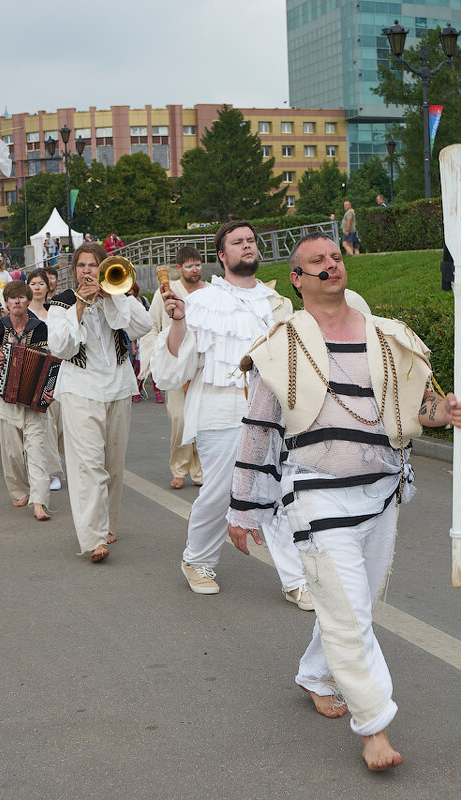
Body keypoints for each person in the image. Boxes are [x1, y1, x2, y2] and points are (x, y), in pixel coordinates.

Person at [227, 232, 461, 771]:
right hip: (314, 494)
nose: (329, 265)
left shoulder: (388, 337)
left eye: (335, 257)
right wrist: (243, 508)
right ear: (296, 278)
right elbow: (258, 430)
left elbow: (424, 406)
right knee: (348, 613)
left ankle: (315, 674)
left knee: (352, 605)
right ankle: (375, 727)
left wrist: (450, 412)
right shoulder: (281, 345)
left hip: (381, 492)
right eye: (315, 260)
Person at [152, 220, 308, 607]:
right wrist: (177, 321)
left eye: (251, 241)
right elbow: (174, 368)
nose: (247, 246)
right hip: (219, 408)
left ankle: (294, 578)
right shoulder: (200, 302)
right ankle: (197, 560)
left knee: (274, 490)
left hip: (270, 411)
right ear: (222, 256)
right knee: (221, 492)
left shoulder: (278, 303)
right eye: (237, 242)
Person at [46, 242, 152, 561]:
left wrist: (113, 296)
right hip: (80, 389)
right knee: (89, 466)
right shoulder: (59, 305)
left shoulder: (116, 296)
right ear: (74, 270)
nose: (88, 271)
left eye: (94, 265)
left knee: (113, 465)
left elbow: (143, 326)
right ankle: (93, 538)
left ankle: (107, 525)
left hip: (118, 387)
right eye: (82, 266)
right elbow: (60, 348)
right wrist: (79, 305)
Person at [0, 281, 54, 522]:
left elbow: (52, 362)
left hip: (33, 400)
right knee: (11, 452)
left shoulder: (41, 328)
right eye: (12, 299)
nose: (17, 302)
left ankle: (39, 501)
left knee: (37, 451)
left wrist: (50, 390)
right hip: (4, 398)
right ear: (6, 303)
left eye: (21, 298)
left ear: (28, 301)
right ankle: (20, 490)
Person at [141, 245, 206, 490]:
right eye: (189, 266)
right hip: (175, 365)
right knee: (179, 419)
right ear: (179, 268)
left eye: (198, 264)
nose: (195, 270)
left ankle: (199, 470)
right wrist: (154, 358)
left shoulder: (208, 291)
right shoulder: (166, 292)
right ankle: (179, 469)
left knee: (201, 421)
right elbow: (153, 326)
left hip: (201, 368)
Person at [25, 268, 65, 492]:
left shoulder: (57, 311)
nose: (38, 287)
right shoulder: (24, 314)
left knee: (60, 423)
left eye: (42, 283)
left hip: (61, 369)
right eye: (33, 283)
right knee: (45, 425)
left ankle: (53, 463)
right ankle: (51, 471)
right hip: (36, 371)